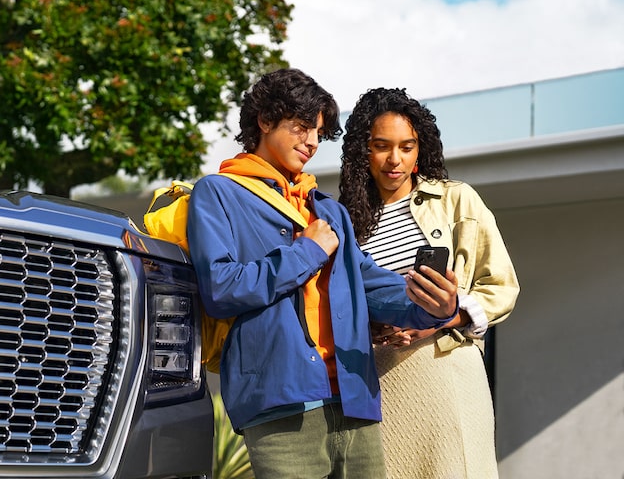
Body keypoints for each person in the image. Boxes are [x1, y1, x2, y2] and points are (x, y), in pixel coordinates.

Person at [186, 68, 460, 479]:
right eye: (300, 128)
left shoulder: (328, 210)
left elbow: (366, 283)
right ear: (264, 121)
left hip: (355, 397)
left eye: (316, 132)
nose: (312, 143)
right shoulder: (217, 193)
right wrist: (308, 251)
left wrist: (431, 305)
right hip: (280, 405)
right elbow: (222, 288)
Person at [339, 87, 520, 479]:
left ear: (420, 149)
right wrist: (375, 327)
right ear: (362, 151)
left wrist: (437, 321)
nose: (394, 159)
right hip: (380, 382)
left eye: (407, 146)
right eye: (381, 146)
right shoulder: (347, 225)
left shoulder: (458, 201)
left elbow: (501, 288)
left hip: (446, 368)